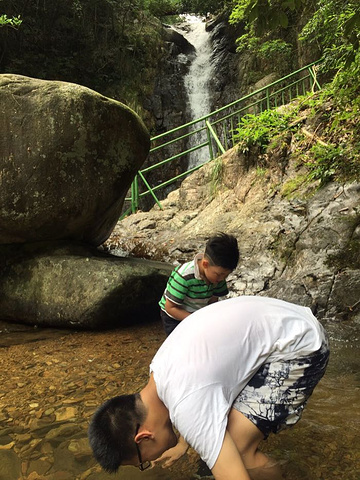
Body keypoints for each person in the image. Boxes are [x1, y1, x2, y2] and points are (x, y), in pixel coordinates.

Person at [88, 296, 330, 480]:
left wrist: (196, 439)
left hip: (301, 346)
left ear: (143, 437)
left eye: (143, 462)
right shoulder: (159, 370)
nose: (150, 462)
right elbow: (199, 396)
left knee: (240, 454)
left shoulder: (187, 405)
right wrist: (184, 443)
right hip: (285, 321)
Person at [159, 232, 239, 335]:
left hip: (197, 313)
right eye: (219, 274)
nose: (222, 279)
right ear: (205, 264)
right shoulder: (184, 276)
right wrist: (195, 320)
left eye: (226, 275)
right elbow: (170, 307)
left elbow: (213, 302)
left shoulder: (218, 278)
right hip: (175, 315)